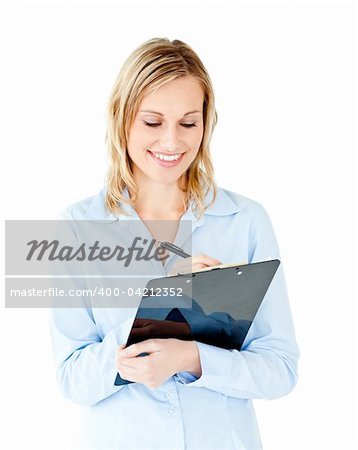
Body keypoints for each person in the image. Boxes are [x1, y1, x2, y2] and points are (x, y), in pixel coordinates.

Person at [49, 37, 299, 449]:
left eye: (188, 123)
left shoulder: (246, 220)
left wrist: (193, 358)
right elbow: (72, 381)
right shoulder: (75, 228)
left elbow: (281, 369)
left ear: (207, 123)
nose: (171, 142)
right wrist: (157, 310)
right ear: (121, 120)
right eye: (152, 122)